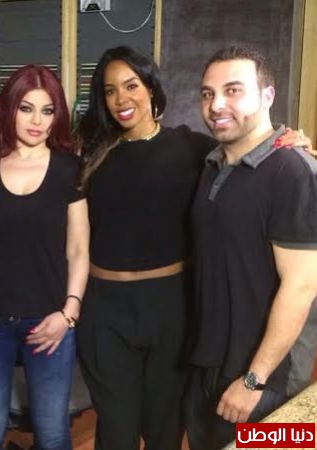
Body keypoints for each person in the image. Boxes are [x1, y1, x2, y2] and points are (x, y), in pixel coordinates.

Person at [73, 46, 309, 450]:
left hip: (173, 308)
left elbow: (302, 283)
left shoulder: (196, 149)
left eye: (131, 85)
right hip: (107, 309)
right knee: (116, 430)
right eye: (110, 91)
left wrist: (293, 140)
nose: (121, 98)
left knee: (166, 426)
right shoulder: (92, 154)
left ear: (150, 88)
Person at [0, 65, 89, 450]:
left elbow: (78, 248)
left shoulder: (69, 169)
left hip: (49, 319)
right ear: (9, 109)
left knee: (52, 433)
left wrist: (69, 313)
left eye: (47, 111)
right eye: (26, 108)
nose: (37, 121)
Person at [185, 45, 317, 450]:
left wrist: (254, 380)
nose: (216, 105)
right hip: (210, 364)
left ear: (267, 95)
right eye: (208, 93)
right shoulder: (212, 164)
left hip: (268, 381)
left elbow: (301, 285)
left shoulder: (293, 171)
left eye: (233, 90)